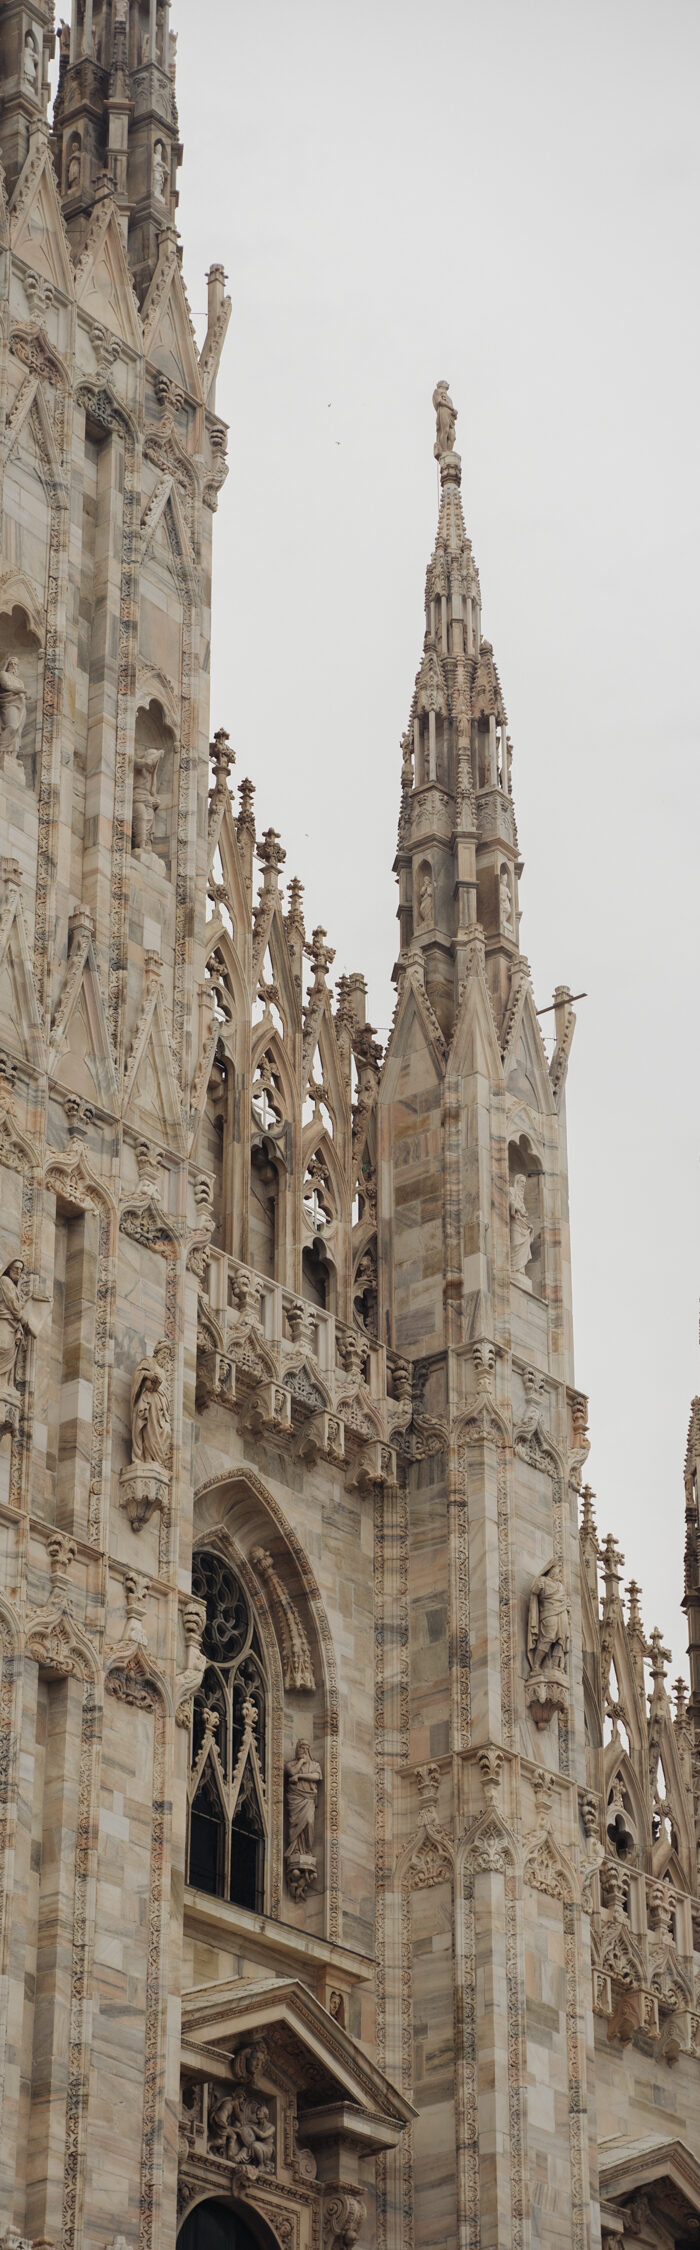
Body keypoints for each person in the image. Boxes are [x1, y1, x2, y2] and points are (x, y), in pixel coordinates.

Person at [130, 1342, 171, 1467]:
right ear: (157, 1352)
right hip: (150, 1400)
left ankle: (157, 1460)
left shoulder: (164, 1370)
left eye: (167, 1354)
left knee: (166, 1431)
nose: (165, 1356)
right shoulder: (148, 1362)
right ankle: (147, 1458)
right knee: (149, 1428)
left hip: (162, 1404)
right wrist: (148, 1375)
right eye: (163, 1353)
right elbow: (138, 1374)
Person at [527, 1559, 570, 1675]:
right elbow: (534, 1592)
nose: (559, 1572)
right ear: (550, 1569)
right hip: (548, 1612)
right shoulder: (543, 1580)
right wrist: (537, 1588)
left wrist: (568, 1606)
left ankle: (556, 1666)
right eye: (557, 1569)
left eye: (560, 1570)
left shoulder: (560, 1586)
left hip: (562, 1612)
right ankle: (536, 1665)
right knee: (548, 1637)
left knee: (561, 1639)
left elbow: (566, 1600)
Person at [285, 1739, 322, 1862]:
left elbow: (316, 1776)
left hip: (308, 1798)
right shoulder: (291, 1764)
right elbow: (292, 1772)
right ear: (297, 1749)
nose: (303, 1750)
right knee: (295, 1823)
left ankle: (306, 1850)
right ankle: (295, 1849)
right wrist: (301, 1761)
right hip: (296, 1798)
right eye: (301, 1747)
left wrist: (300, 1776)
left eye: (306, 1748)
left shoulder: (314, 1765)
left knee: (309, 1821)